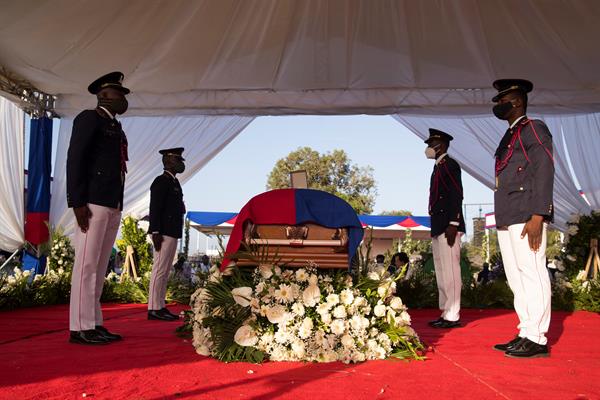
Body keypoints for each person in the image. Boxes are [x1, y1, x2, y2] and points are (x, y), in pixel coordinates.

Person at [491, 79, 554, 358]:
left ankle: (537, 337)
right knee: (516, 278)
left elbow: (543, 168)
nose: (498, 105)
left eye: (502, 100)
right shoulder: (509, 136)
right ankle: (526, 330)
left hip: (528, 212)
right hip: (508, 214)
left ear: (516, 102)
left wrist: (538, 214)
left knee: (533, 272)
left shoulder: (533, 128)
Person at [66, 71, 130, 345]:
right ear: (104, 95)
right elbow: (75, 159)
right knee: (86, 265)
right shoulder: (89, 119)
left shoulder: (114, 126)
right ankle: (80, 327)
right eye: (119, 94)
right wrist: (77, 202)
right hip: (92, 201)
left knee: (100, 265)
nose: (123, 99)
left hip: (111, 201)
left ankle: (93, 323)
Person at [425, 129, 465, 329]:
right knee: (441, 271)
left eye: (431, 144)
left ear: (440, 145)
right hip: (439, 224)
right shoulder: (438, 166)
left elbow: (456, 194)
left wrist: (454, 223)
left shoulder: (449, 164)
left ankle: (453, 314)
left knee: (451, 271)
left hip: (449, 224)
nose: (428, 148)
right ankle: (446, 311)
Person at [147, 147, 186, 321]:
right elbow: (155, 208)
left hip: (172, 231)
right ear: (168, 161)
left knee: (165, 270)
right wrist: (155, 230)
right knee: (159, 270)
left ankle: (160, 305)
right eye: (178, 160)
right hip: (162, 231)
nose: (181, 164)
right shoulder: (160, 181)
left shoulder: (174, 183)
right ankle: (154, 308)